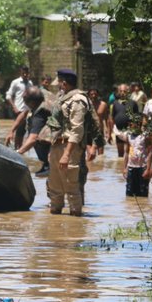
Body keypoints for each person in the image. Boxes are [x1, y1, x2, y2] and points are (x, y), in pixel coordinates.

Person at [45, 69, 96, 216]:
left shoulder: (78, 100)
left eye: (60, 83)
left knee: (71, 188)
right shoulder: (64, 98)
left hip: (69, 148)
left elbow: (77, 130)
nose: (58, 86)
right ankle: (55, 224)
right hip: (57, 144)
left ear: (65, 83)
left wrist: (66, 154)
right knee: (54, 187)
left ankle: (75, 224)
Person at [13, 87, 52, 176]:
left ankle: (48, 165)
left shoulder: (40, 113)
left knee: (39, 138)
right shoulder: (43, 96)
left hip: (56, 147)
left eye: (25, 96)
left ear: (31, 102)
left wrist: (17, 153)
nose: (22, 96)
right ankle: (46, 165)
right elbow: (23, 113)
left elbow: (33, 139)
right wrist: (11, 131)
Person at [5, 65, 33, 148]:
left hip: (27, 110)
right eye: (23, 72)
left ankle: (18, 148)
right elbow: (8, 95)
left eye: (26, 73)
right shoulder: (15, 82)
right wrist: (14, 107)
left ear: (28, 73)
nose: (25, 74)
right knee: (18, 128)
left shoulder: (30, 83)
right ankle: (16, 147)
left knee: (22, 130)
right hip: (18, 109)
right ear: (20, 72)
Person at [110, 83, 139, 158]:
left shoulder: (133, 103)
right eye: (121, 91)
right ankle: (120, 169)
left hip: (130, 131)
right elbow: (112, 118)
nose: (123, 93)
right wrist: (109, 132)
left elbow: (137, 118)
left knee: (130, 154)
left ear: (128, 92)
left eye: (124, 91)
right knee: (120, 155)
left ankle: (129, 168)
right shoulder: (115, 103)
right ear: (118, 92)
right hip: (118, 131)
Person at [124, 131, 152, 197]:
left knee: (143, 193)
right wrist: (125, 168)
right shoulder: (128, 135)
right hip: (131, 167)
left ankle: (143, 207)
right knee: (129, 194)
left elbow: (149, 153)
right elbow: (126, 152)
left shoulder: (145, 135)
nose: (133, 124)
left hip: (142, 167)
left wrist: (148, 169)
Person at [87, 88, 110, 155]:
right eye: (91, 94)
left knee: (101, 154)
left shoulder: (103, 105)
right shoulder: (86, 105)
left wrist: (108, 131)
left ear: (98, 95)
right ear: (89, 95)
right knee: (90, 154)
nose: (93, 96)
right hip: (89, 131)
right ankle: (90, 165)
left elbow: (107, 119)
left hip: (99, 131)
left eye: (95, 94)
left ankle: (100, 165)